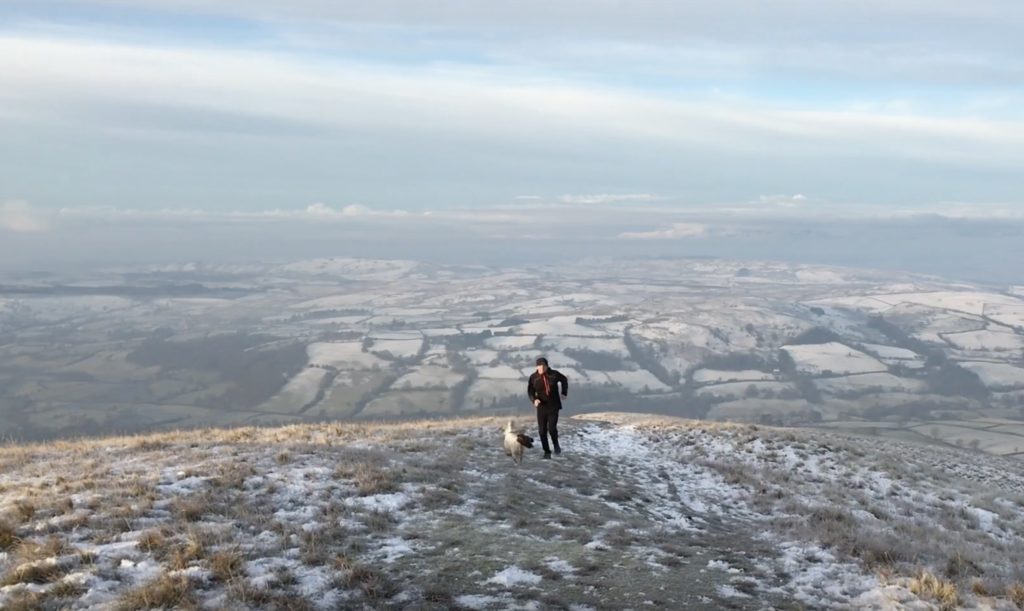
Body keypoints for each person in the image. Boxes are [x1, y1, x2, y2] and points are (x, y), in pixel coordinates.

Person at [527, 357, 569, 459]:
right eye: (539, 365)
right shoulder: (533, 377)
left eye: (543, 366)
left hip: (553, 406)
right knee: (542, 431)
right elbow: (530, 391)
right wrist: (534, 400)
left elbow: (564, 380)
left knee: (552, 429)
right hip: (541, 407)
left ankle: (556, 445)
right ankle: (547, 451)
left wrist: (564, 393)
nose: (541, 368)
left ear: (546, 366)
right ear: (536, 366)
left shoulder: (554, 374)